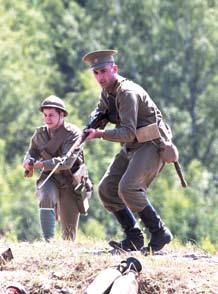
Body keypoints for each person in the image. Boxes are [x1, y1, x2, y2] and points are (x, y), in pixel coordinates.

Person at [82, 49, 176, 254]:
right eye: (96, 73)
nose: (100, 77)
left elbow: (127, 132)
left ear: (114, 69)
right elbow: (101, 111)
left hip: (151, 144)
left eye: (104, 71)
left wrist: (99, 134)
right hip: (133, 145)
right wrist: (95, 120)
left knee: (128, 188)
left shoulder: (127, 93)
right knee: (107, 189)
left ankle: (159, 232)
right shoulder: (107, 92)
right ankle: (134, 237)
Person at [23, 95, 92, 241]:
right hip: (50, 176)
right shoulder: (40, 133)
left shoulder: (74, 134)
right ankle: (48, 241)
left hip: (71, 180)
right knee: (45, 195)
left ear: (62, 115)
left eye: (51, 115)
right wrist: (28, 160)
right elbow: (33, 150)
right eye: (45, 115)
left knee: (68, 234)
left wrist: (41, 164)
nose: (47, 118)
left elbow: (66, 162)